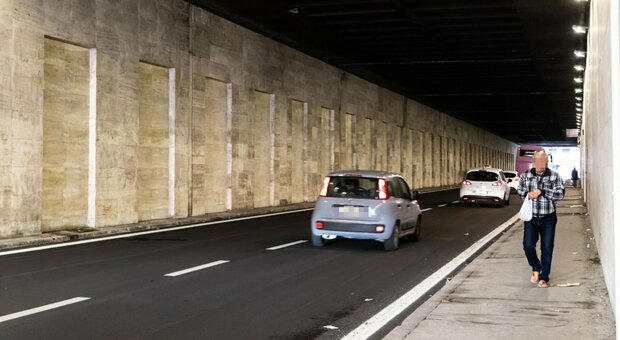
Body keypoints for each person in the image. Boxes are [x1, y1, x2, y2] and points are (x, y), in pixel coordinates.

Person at [517, 151, 564, 288]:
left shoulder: (554, 176)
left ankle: (544, 277)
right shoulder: (526, 175)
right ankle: (536, 267)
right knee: (528, 246)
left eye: (542, 161)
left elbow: (560, 194)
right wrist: (528, 194)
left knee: (547, 248)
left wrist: (542, 191)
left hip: (548, 217)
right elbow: (520, 190)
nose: (539, 164)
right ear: (533, 161)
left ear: (546, 161)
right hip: (531, 217)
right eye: (537, 161)